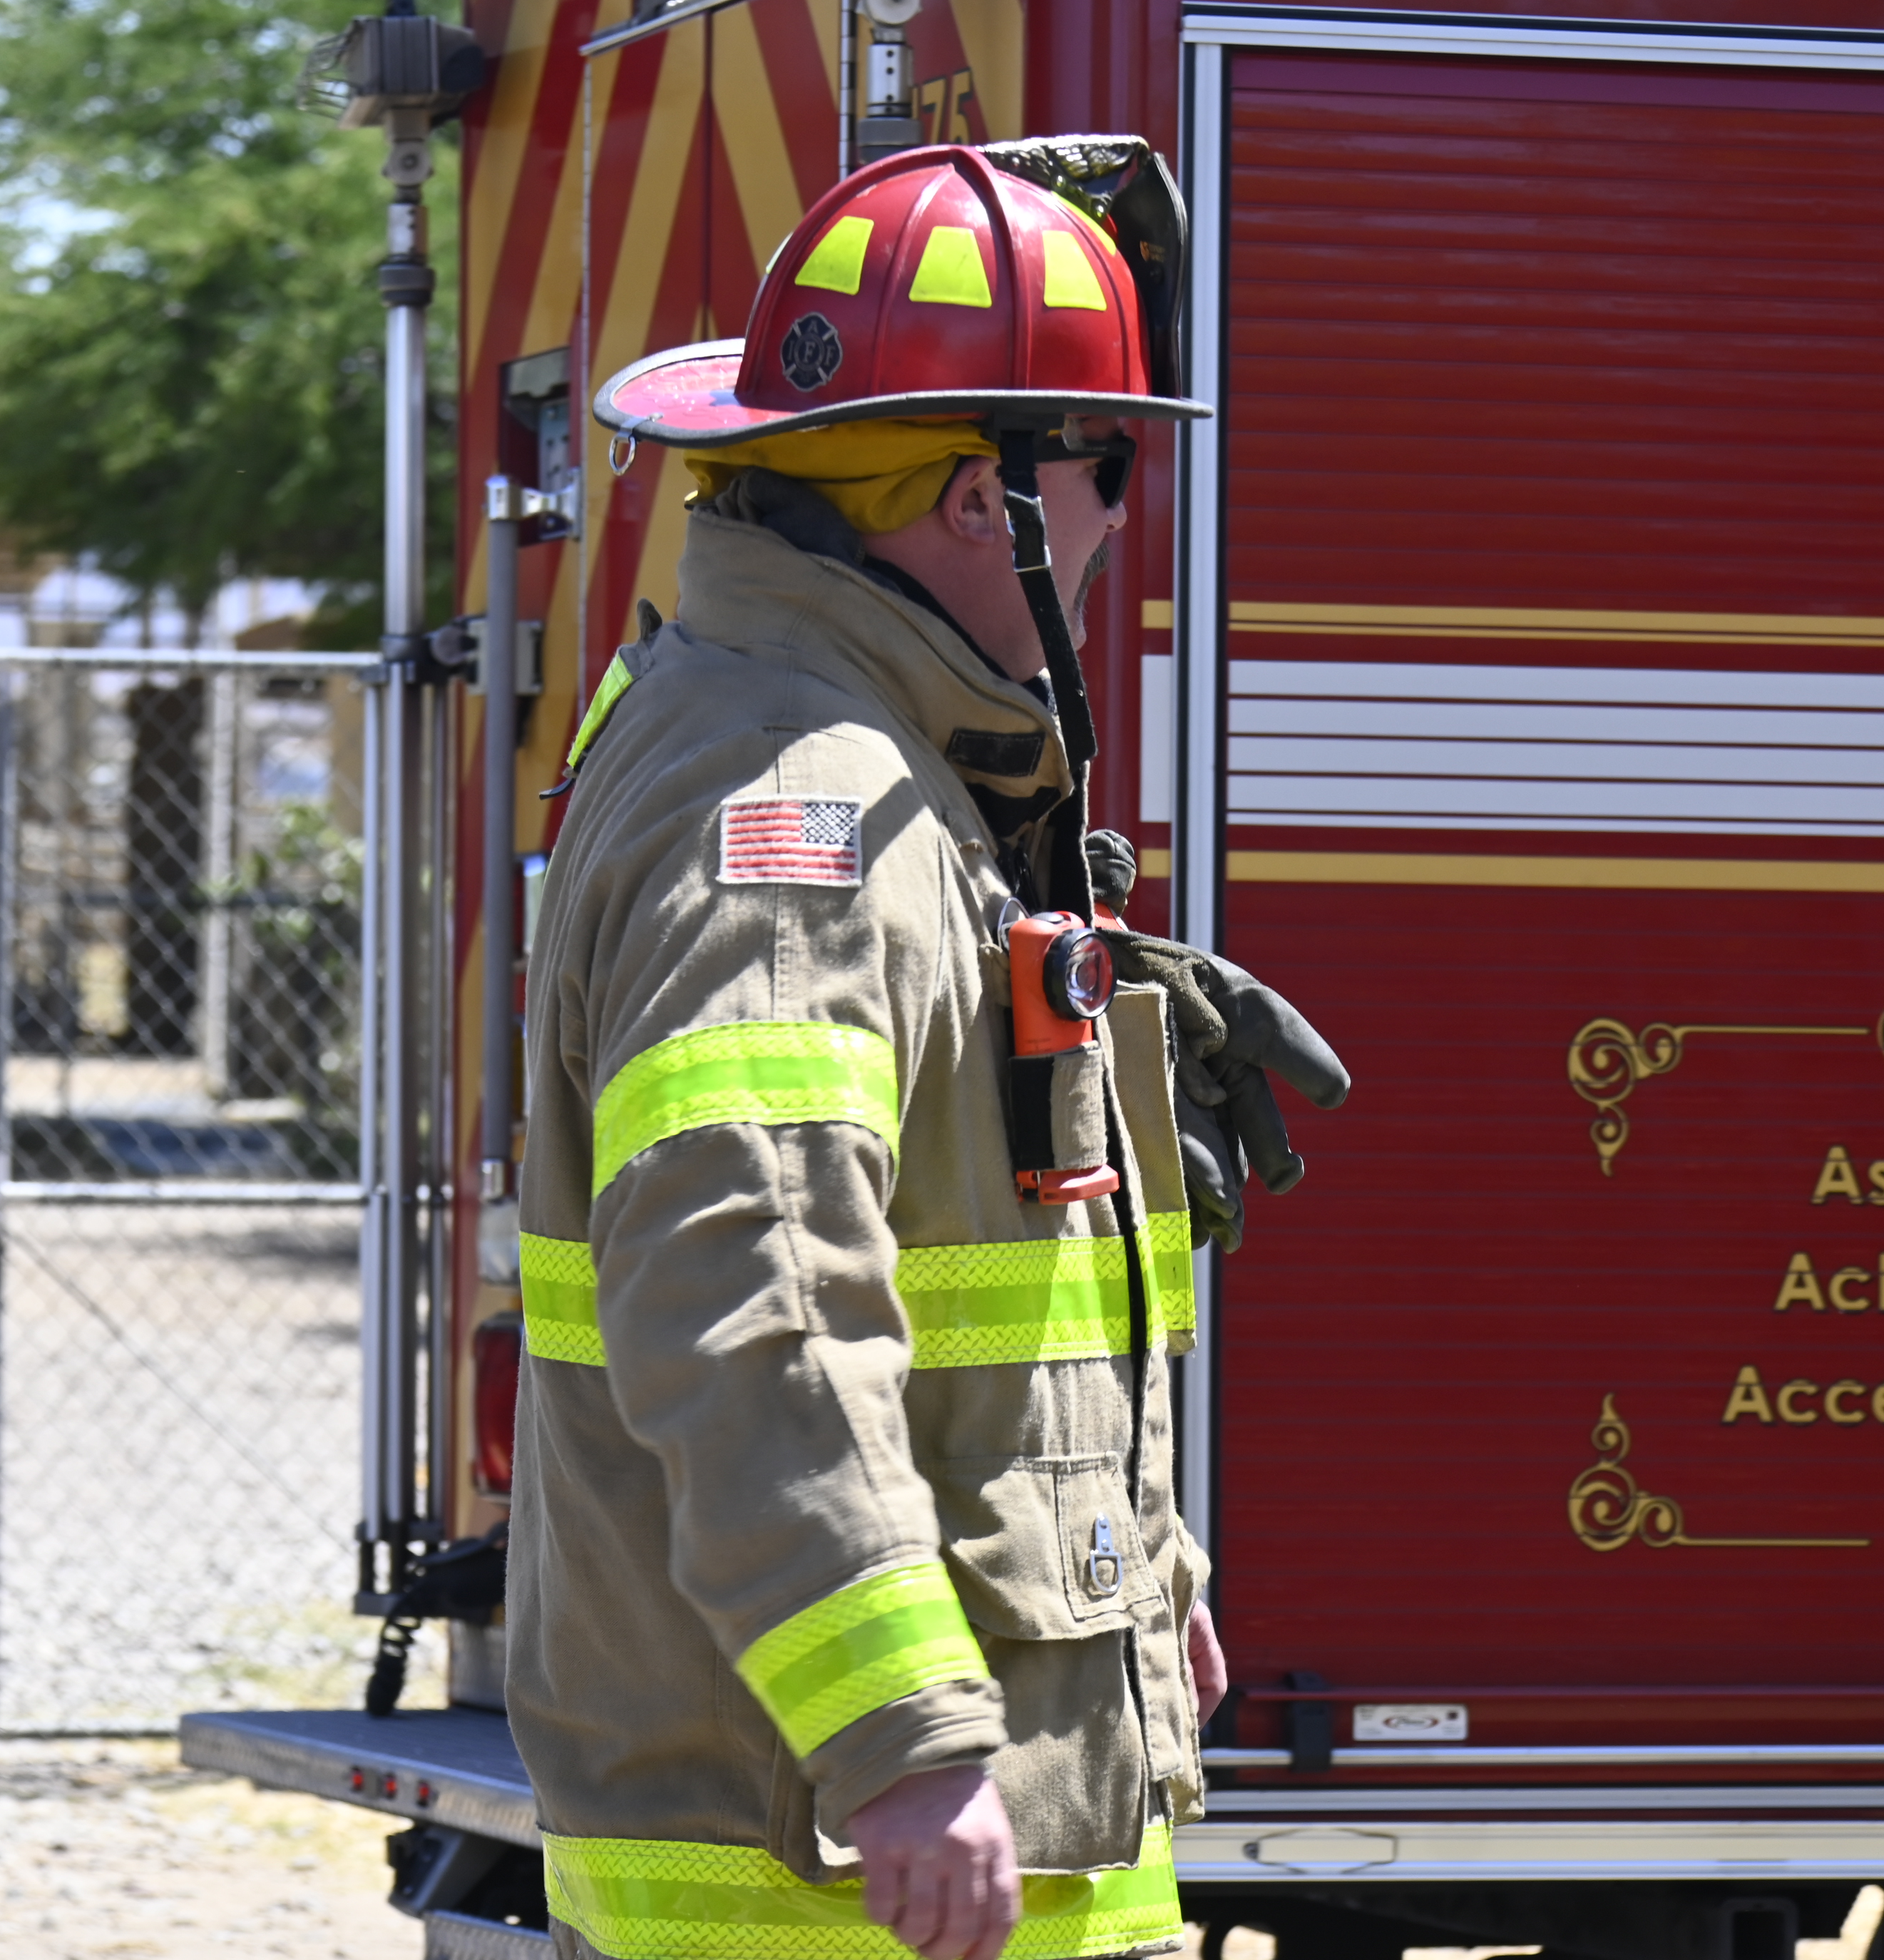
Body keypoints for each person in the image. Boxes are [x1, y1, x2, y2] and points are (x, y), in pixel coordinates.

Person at [508, 140, 1348, 1960]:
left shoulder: (850, 761)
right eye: (1110, 468)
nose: (1122, 523)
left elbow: (978, 1292)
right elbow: (754, 1283)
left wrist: (1139, 1581)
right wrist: (898, 1736)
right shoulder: (800, 813)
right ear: (989, 499)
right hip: (815, 1892)